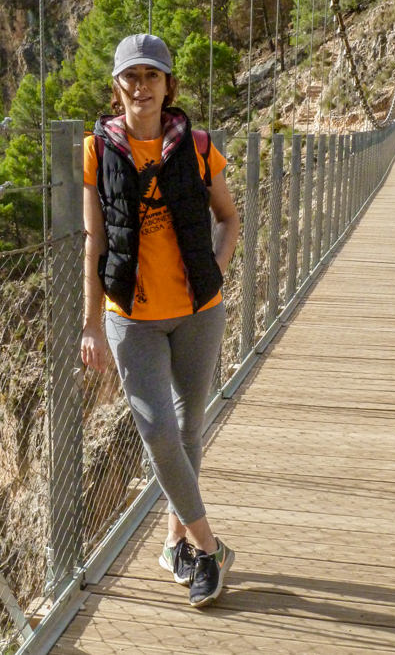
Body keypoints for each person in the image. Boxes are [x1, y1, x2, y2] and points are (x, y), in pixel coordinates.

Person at [81, 33, 240, 607]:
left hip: (199, 314)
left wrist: (215, 274)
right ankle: (209, 546)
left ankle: (177, 543)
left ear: (169, 85)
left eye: (152, 76)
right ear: (117, 86)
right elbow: (95, 241)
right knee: (156, 430)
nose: (141, 86)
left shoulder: (197, 146)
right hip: (133, 319)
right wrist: (92, 322)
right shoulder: (96, 150)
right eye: (131, 76)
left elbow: (228, 217)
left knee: (189, 430)